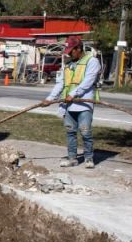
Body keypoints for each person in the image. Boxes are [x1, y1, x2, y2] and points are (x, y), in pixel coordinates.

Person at [41, 36, 101, 168]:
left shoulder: (92, 62)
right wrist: (50, 99)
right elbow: (60, 83)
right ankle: (72, 157)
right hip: (68, 105)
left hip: (84, 104)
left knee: (85, 131)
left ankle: (89, 158)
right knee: (70, 131)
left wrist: (73, 94)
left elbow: (88, 81)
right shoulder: (67, 65)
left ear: (78, 49)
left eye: (71, 51)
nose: (68, 53)